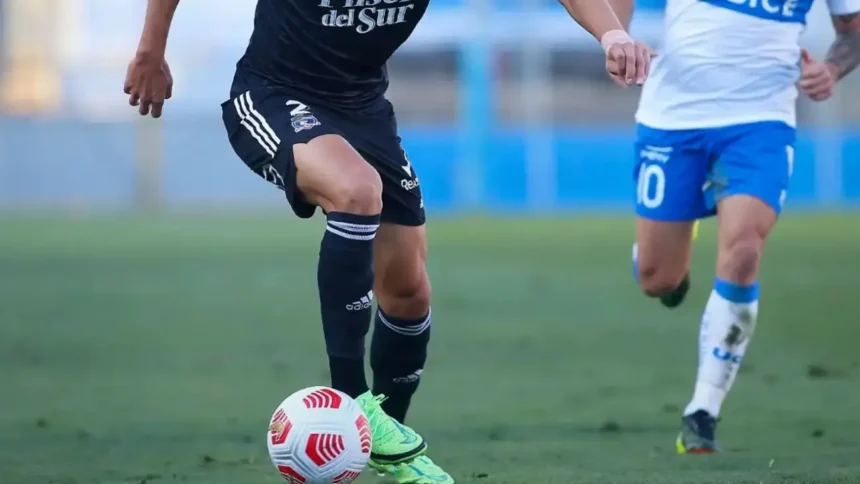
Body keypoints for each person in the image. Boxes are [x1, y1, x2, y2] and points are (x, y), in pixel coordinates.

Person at [124, 0, 654, 481]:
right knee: (357, 191)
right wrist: (152, 50)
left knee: (408, 291)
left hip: (364, 110)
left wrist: (610, 36)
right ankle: (351, 404)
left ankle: (379, 447)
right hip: (271, 96)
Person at [624, 0, 860, 454]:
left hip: (761, 121)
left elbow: (852, 31)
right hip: (673, 117)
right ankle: (675, 241)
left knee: (745, 251)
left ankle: (703, 411)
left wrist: (831, 69)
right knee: (659, 280)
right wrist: (614, 34)